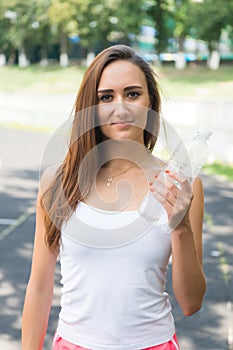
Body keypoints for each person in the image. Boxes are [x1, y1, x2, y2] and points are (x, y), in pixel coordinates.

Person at [22, 45, 206, 350]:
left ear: (151, 103)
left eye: (133, 94)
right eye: (106, 97)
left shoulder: (182, 186)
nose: (121, 108)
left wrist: (180, 227)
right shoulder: (58, 181)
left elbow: (191, 303)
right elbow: (40, 287)